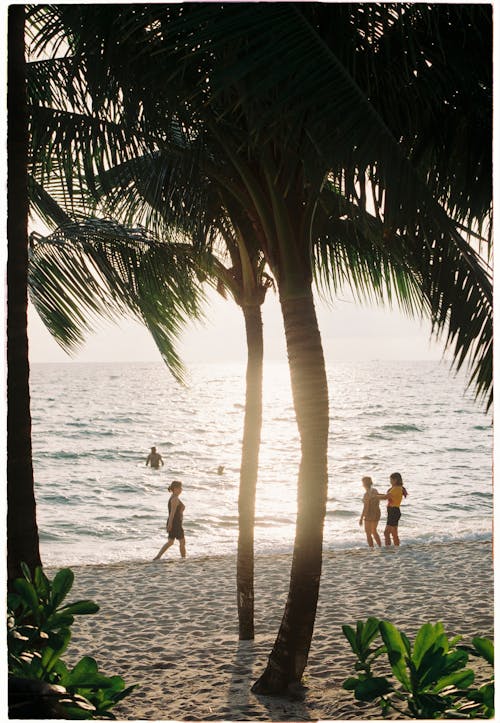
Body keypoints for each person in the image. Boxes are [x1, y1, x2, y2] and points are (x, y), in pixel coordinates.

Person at [153, 480, 186, 559]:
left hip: (175, 522)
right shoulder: (174, 499)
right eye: (180, 488)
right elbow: (172, 513)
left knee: (171, 542)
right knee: (182, 541)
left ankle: (157, 557)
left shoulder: (174, 497)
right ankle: (183, 558)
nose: (181, 489)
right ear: (175, 489)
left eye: (181, 488)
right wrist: (170, 524)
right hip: (175, 523)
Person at [382, 472, 408, 547]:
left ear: (395, 480)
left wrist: (374, 497)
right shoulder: (396, 488)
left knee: (388, 533)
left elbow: (385, 497)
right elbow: (386, 496)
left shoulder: (396, 489)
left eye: (391, 480)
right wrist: (376, 495)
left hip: (393, 512)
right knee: (391, 533)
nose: (390, 481)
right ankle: (394, 548)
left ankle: (391, 549)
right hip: (393, 512)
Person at [359, 476, 382, 548]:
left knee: (368, 533)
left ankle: (371, 548)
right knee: (374, 531)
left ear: (364, 484)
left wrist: (361, 518)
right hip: (377, 512)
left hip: (370, 514)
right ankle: (380, 547)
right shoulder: (375, 490)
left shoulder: (366, 494)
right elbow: (378, 500)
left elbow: (366, 507)